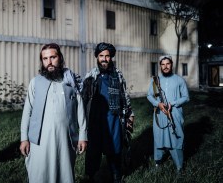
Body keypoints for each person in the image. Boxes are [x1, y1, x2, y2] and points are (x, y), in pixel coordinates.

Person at [19, 43, 87, 183]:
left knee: (65, 174)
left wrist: (83, 136)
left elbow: (80, 109)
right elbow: (27, 111)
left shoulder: (70, 81)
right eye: (45, 59)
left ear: (60, 58)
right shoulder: (35, 82)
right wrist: (24, 138)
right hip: (39, 140)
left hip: (65, 139)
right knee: (39, 174)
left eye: (53, 57)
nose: (49, 62)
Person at [82, 42, 135, 183]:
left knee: (115, 149)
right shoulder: (91, 76)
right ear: (97, 57)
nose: (104, 59)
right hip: (95, 121)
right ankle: (91, 177)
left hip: (113, 120)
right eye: (101, 56)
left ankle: (116, 177)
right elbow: (83, 98)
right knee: (93, 151)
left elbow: (125, 95)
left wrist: (130, 114)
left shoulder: (117, 75)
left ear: (111, 57)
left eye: (107, 56)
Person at [147, 55, 189, 173]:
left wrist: (173, 103)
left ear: (171, 65)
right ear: (160, 66)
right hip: (160, 114)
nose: (165, 66)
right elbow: (149, 95)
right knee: (158, 137)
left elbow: (186, 97)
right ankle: (158, 163)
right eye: (163, 64)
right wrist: (157, 104)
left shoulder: (179, 80)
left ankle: (179, 167)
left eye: (168, 64)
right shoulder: (155, 80)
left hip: (174, 114)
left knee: (176, 137)